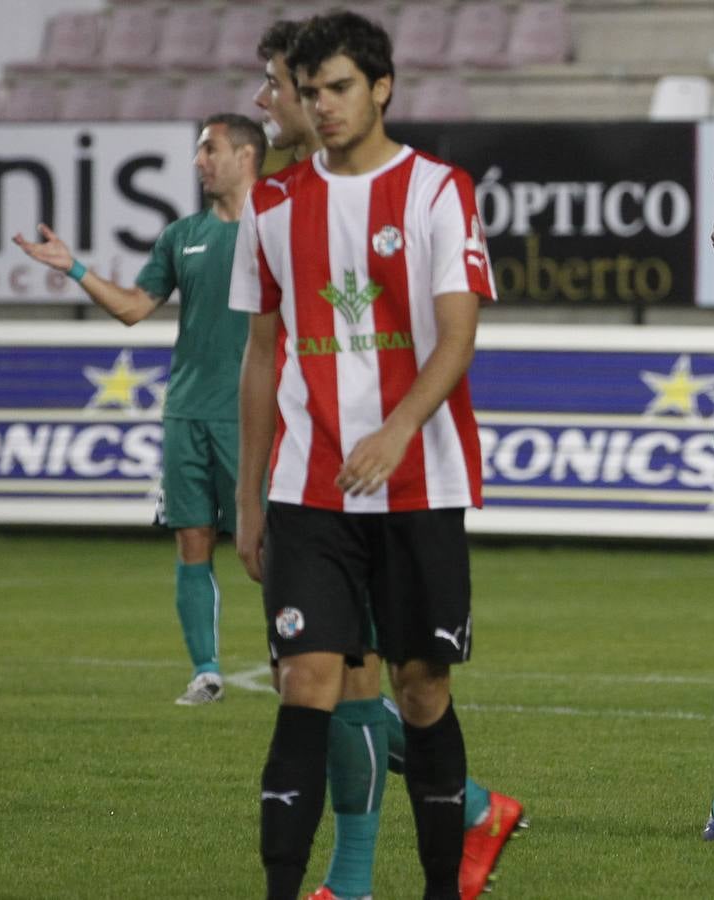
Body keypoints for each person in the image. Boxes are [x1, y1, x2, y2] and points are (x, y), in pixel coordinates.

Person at [252, 20, 524, 900]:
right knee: (309, 679)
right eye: (310, 89)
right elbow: (263, 356)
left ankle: (441, 885)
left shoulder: (438, 191)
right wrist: (248, 501)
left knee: (420, 688)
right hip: (308, 485)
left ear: (382, 88)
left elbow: (458, 333)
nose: (320, 105)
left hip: (419, 480)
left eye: (336, 87)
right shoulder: (273, 204)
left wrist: (401, 425)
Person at [12, 114, 266, 706]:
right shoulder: (182, 235)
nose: (199, 160)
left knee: (268, 548)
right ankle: (205, 670)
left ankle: (308, 648)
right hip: (185, 412)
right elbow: (133, 308)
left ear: (246, 156)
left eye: (211, 148)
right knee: (191, 538)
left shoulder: (276, 230)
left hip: (252, 416)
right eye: (199, 150)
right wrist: (72, 267)